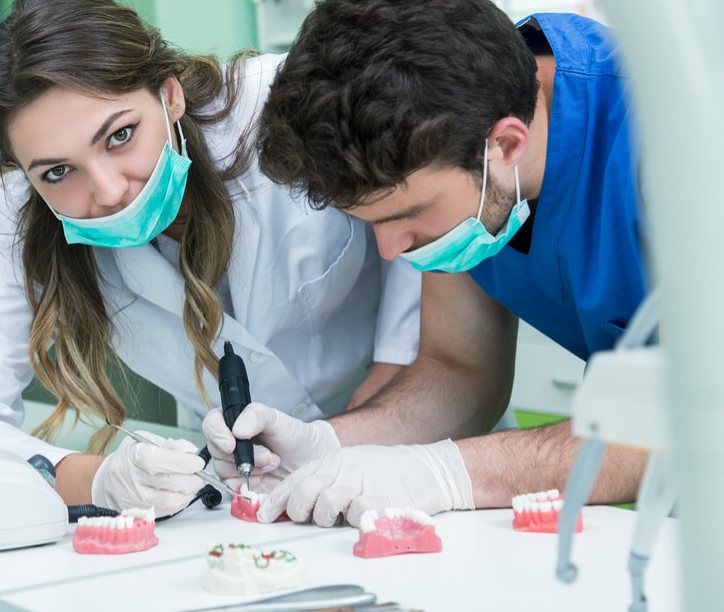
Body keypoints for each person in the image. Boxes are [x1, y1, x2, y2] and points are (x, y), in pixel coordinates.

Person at [0, 0, 421, 519]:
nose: (107, 191)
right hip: (244, 497)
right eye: (58, 172)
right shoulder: (27, 213)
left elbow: (425, 343)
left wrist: (346, 444)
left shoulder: (293, 104)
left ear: (169, 95)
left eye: (120, 136)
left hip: (405, 464)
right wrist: (96, 480)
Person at [202, 0, 651, 527]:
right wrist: (326, 443)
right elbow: (461, 371)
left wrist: (444, 472)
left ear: (506, 143)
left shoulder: (667, 136)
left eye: (411, 215)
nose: (394, 250)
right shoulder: (461, 130)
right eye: (373, 223)